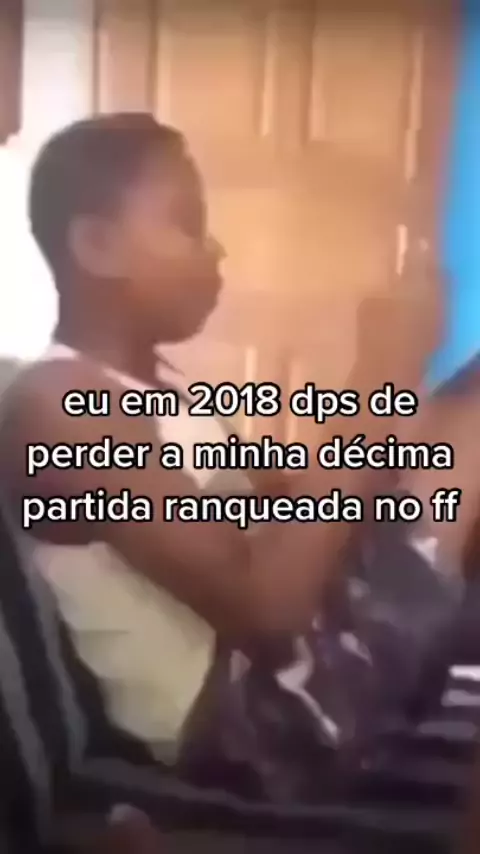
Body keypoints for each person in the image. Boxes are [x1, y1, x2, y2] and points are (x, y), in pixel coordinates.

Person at [0, 113, 473, 794]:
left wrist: (395, 416)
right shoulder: (61, 402)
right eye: (189, 223)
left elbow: (302, 509)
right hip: (256, 720)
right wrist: (379, 377)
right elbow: (267, 610)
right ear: (97, 245)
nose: (216, 249)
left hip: (308, 663)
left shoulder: (163, 393)